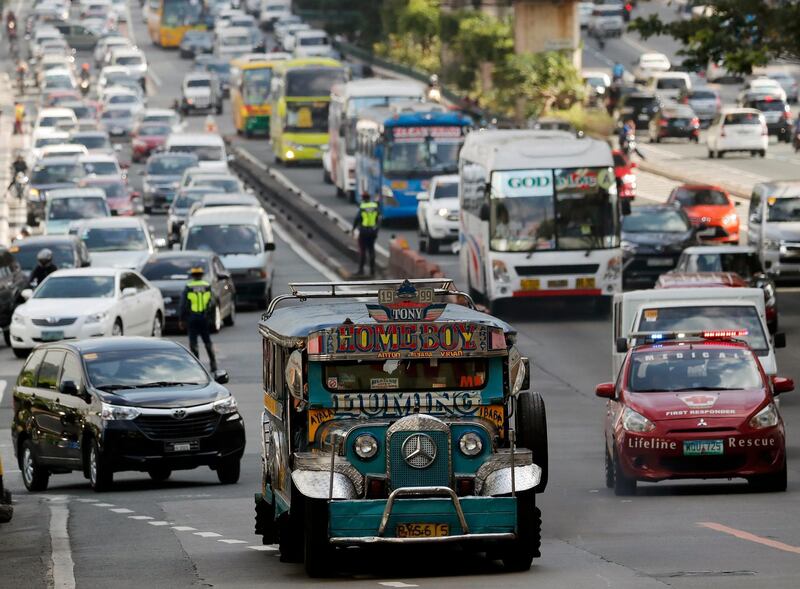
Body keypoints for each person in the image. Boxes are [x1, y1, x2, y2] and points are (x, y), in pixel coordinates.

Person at [179, 266, 218, 372]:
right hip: (204, 317)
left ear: (193, 276)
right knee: (207, 341)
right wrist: (211, 317)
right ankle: (213, 364)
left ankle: (198, 367)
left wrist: (182, 319)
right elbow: (213, 302)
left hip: (192, 318)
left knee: (193, 342)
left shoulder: (189, 286)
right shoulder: (207, 286)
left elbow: (183, 304)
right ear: (201, 275)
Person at [353, 192, 380, 276]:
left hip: (364, 231)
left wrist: (353, 228)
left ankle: (361, 270)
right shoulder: (374, 206)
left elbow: (357, 218)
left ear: (363, 198)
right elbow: (378, 218)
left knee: (363, 250)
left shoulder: (362, 206)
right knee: (371, 250)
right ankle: (372, 271)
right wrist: (376, 229)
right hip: (373, 231)